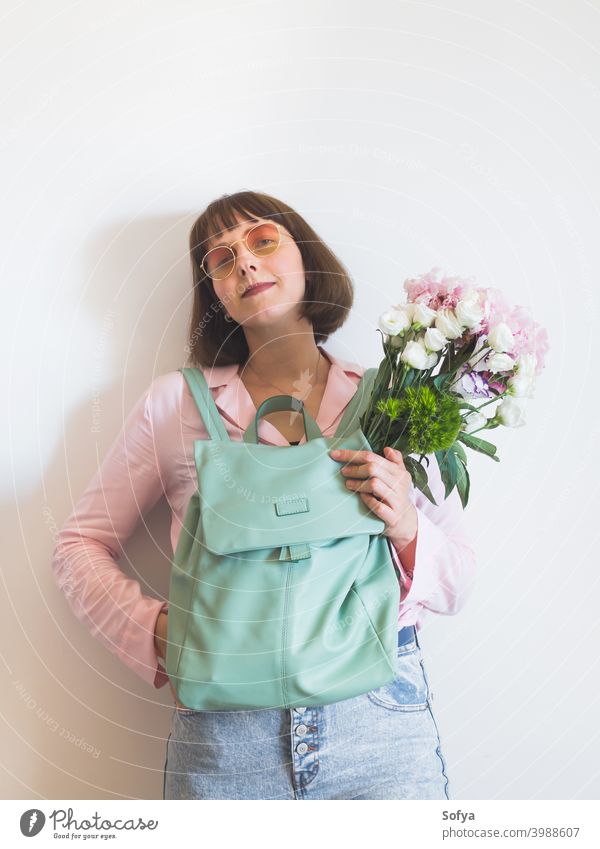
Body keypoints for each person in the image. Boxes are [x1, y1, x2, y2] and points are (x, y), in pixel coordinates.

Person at [52, 190, 477, 800]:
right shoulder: (174, 405)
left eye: (262, 239)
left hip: (378, 723)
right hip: (227, 737)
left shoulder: (395, 400)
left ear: (306, 255)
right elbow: (78, 543)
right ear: (215, 296)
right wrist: (156, 638)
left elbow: (460, 580)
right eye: (220, 259)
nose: (244, 263)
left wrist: (407, 526)